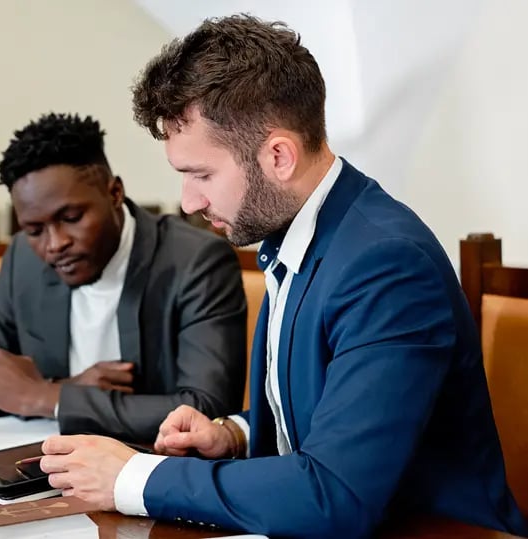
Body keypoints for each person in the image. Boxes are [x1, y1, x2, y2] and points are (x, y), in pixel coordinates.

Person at [38, 16, 528, 538]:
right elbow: (332, 414)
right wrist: (235, 433)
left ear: (278, 155)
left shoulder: (387, 265)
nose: (189, 202)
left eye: (201, 174)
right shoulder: (298, 233)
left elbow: (336, 495)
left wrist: (133, 477)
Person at [0, 113, 247, 443]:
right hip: (48, 461)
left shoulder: (196, 261)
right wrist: (61, 390)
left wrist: (46, 397)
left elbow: (207, 409)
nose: (55, 244)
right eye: (35, 230)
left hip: (148, 463)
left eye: (72, 217)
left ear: (114, 193)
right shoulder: (23, 259)